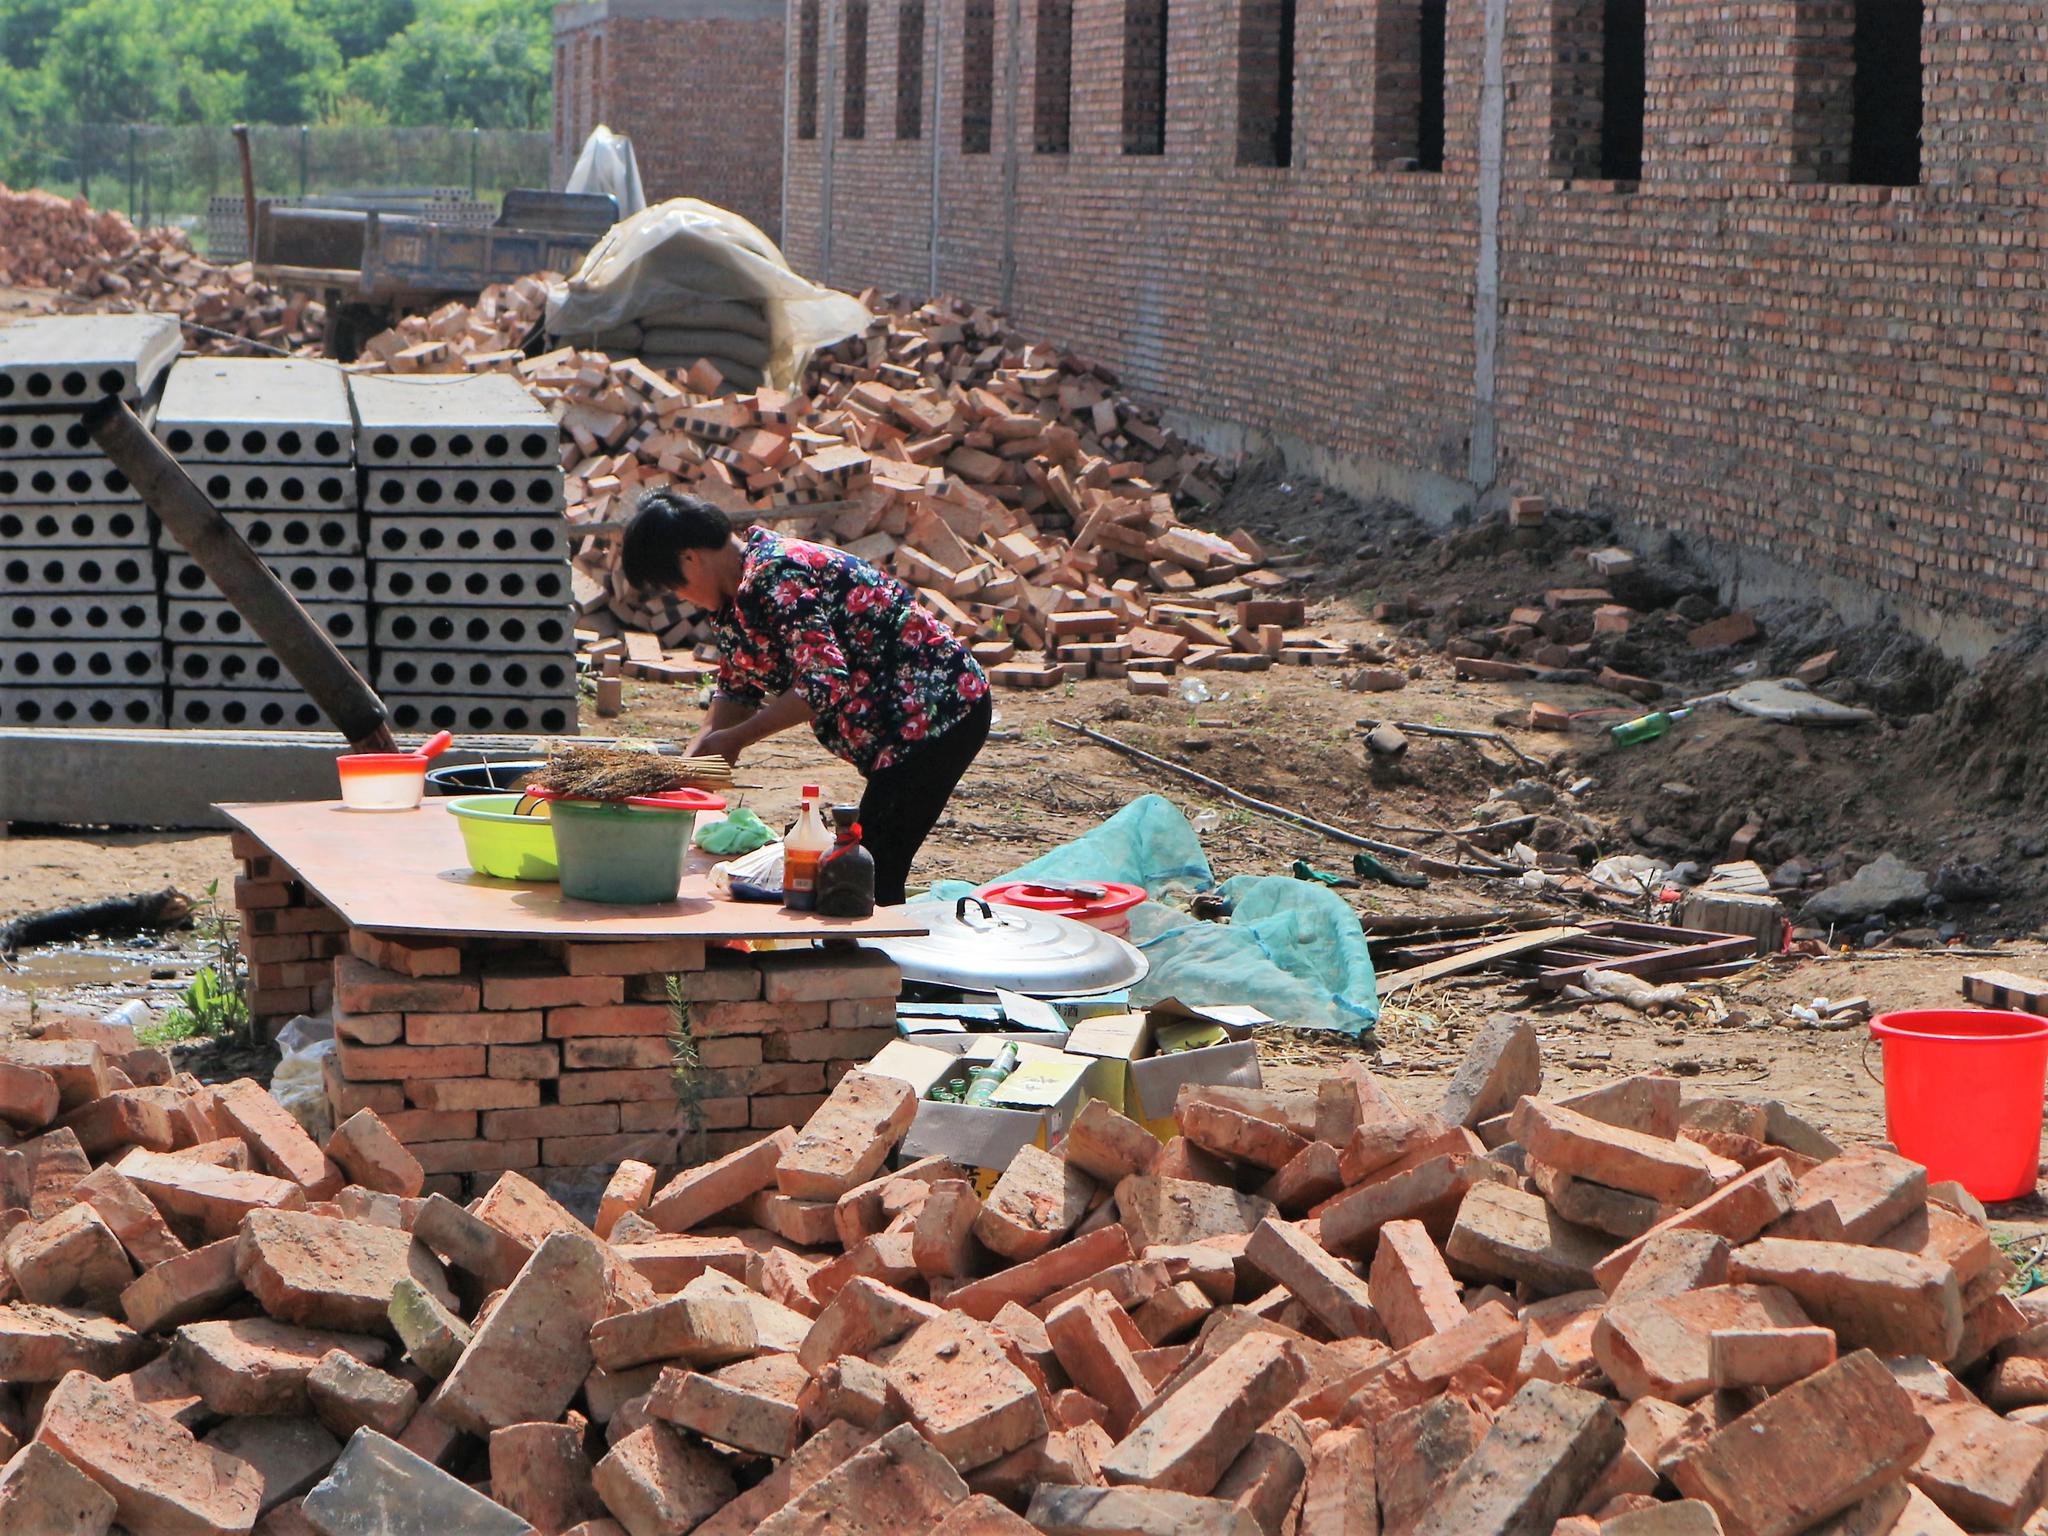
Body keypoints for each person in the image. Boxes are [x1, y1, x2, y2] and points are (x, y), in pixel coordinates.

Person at [621, 490, 992, 906]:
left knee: (867, 872)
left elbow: (823, 679)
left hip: (939, 713)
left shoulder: (776, 573)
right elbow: (736, 691)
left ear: (691, 559)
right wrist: (690, 768)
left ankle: (876, 966)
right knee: (867, 863)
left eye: (674, 587)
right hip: (894, 732)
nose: (680, 598)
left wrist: (738, 738)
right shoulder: (732, 603)